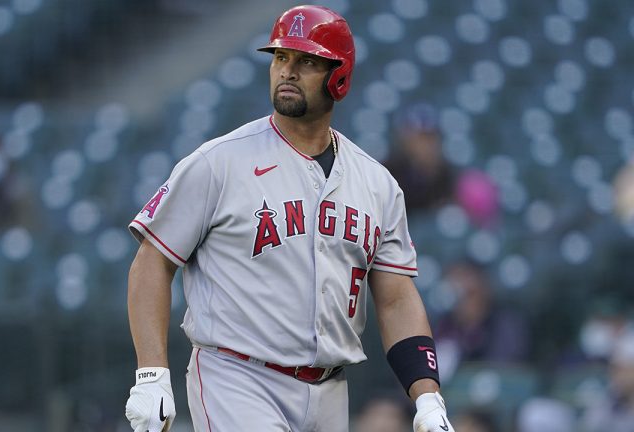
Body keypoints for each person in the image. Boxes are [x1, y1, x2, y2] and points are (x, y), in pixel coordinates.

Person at [124, 6, 455, 432]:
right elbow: (152, 261)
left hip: (330, 388)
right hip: (237, 376)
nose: (288, 71)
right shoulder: (218, 162)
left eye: (307, 61)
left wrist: (427, 396)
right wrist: (151, 373)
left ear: (339, 76)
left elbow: (395, 297)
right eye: (281, 58)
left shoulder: (378, 184)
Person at [433, 261, 530, 379]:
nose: (463, 301)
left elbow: (502, 369)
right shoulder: (444, 327)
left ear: (484, 289)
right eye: (456, 294)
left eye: (469, 294)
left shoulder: (505, 324)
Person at [383, 103, 455, 214]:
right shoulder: (389, 173)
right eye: (421, 137)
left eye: (431, 137)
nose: (427, 144)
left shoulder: (445, 175)